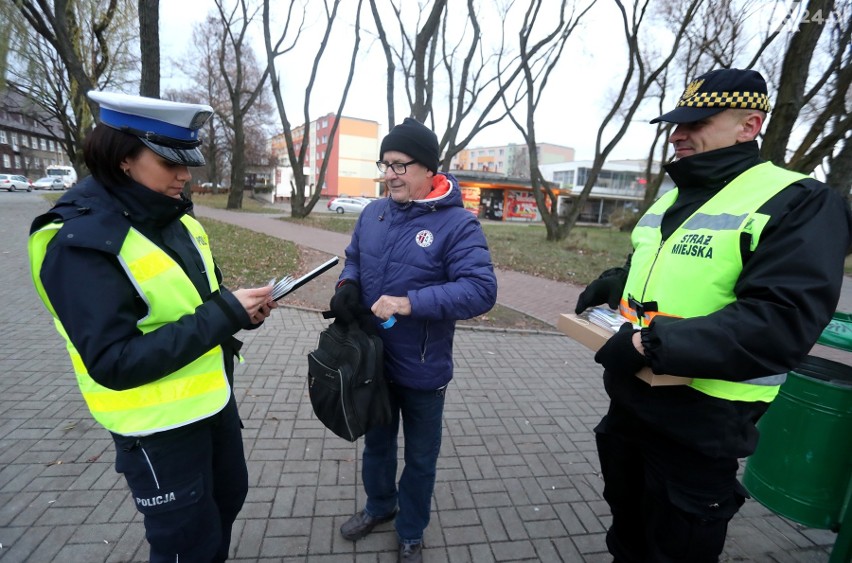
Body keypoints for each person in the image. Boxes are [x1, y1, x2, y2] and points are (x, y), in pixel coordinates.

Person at [576, 68, 852, 563]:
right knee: (626, 537)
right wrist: (618, 280)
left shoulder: (799, 201)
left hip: (702, 426)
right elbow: (668, 268)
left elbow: (781, 320)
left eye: (697, 121)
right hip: (630, 405)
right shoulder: (671, 198)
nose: (678, 134)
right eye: (675, 123)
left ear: (749, 125)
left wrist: (646, 344)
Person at [28, 91, 277, 562]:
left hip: (212, 402)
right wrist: (224, 315)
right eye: (169, 163)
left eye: (188, 163)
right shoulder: (79, 240)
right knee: (186, 545)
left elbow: (196, 305)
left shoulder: (172, 216)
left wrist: (241, 313)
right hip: (156, 428)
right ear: (124, 159)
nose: (185, 176)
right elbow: (112, 361)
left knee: (228, 501)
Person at [329, 117, 498, 562]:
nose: (389, 175)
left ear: (427, 169)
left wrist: (409, 302)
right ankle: (379, 508)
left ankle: (411, 530)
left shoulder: (459, 225)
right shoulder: (373, 214)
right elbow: (354, 261)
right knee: (378, 446)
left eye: (399, 165)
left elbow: (481, 291)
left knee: (420, 459)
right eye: (385, 165)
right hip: (374, 360)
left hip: (423, 366)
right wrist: (348, 287)